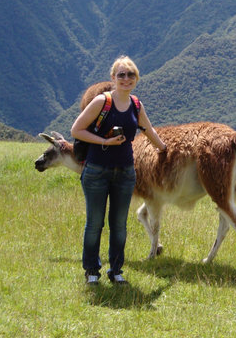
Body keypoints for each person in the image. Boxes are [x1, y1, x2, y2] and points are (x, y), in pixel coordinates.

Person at [71, 56, 167, 285]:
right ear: (113, 78)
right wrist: (104, 142)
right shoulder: (101, 102)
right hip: (96, 170)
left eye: (130, 74)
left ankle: (116, 270)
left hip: (125, 172)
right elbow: (77, 130)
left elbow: (149, 129)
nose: (126, 79)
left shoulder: (136, 104)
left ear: (136, 78)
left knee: (119, 224)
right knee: (95, 223)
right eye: (121, 75)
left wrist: (164, 149)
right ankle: (92, 270)